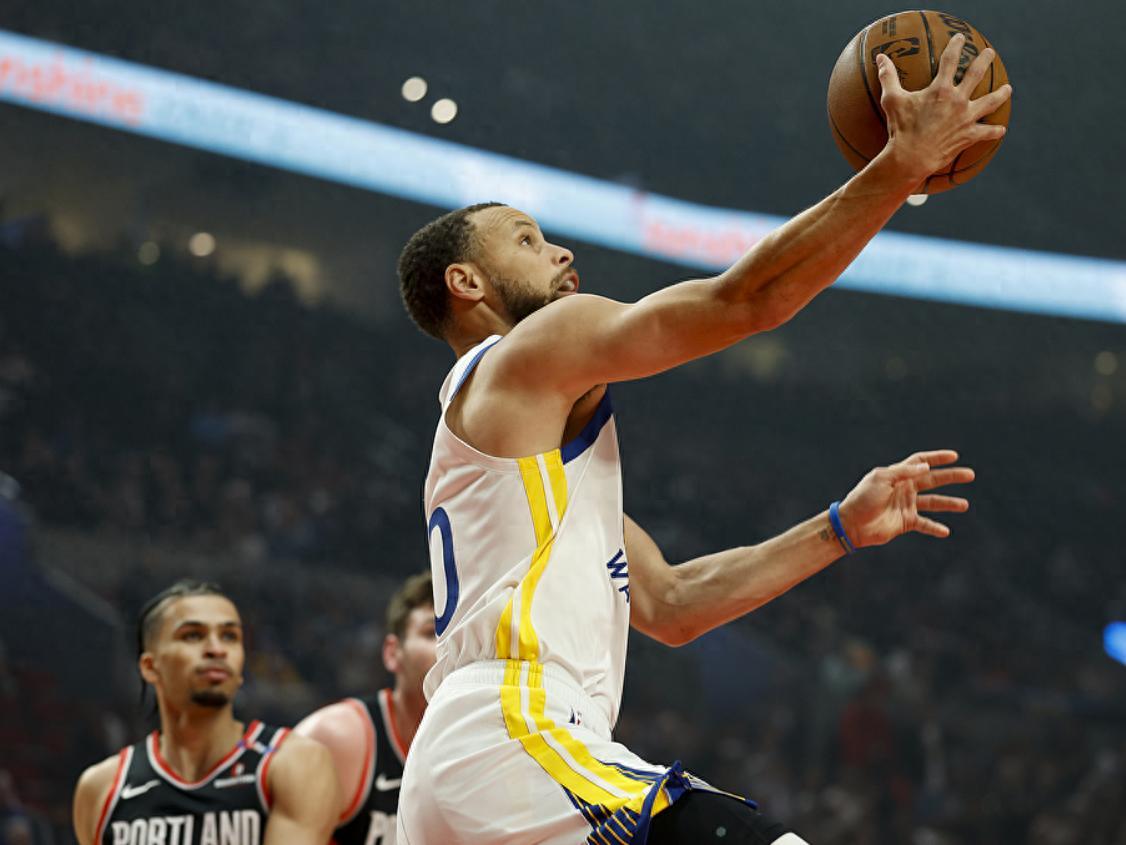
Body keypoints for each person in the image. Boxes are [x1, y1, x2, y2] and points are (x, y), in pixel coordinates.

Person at [394, 36, 1007, 845]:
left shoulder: (526, 480)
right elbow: (744, 301)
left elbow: (674, 605)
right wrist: (899, 167)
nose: (561, 251)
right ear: (466, 282)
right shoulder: (530, 350)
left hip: (470, 766)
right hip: (514, 732)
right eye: (526, 239)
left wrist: (839, 528)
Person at [71, 580, 339, 845]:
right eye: (193, 635)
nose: (217, 649)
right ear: (150, 667)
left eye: (230, 636)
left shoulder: (292, 763)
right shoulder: (102, 788)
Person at [294, 571, 436, 845]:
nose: (448, 648)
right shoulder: (334, 738)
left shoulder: (492, 746)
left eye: (456, 636)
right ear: (393, 653)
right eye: (432, 633)